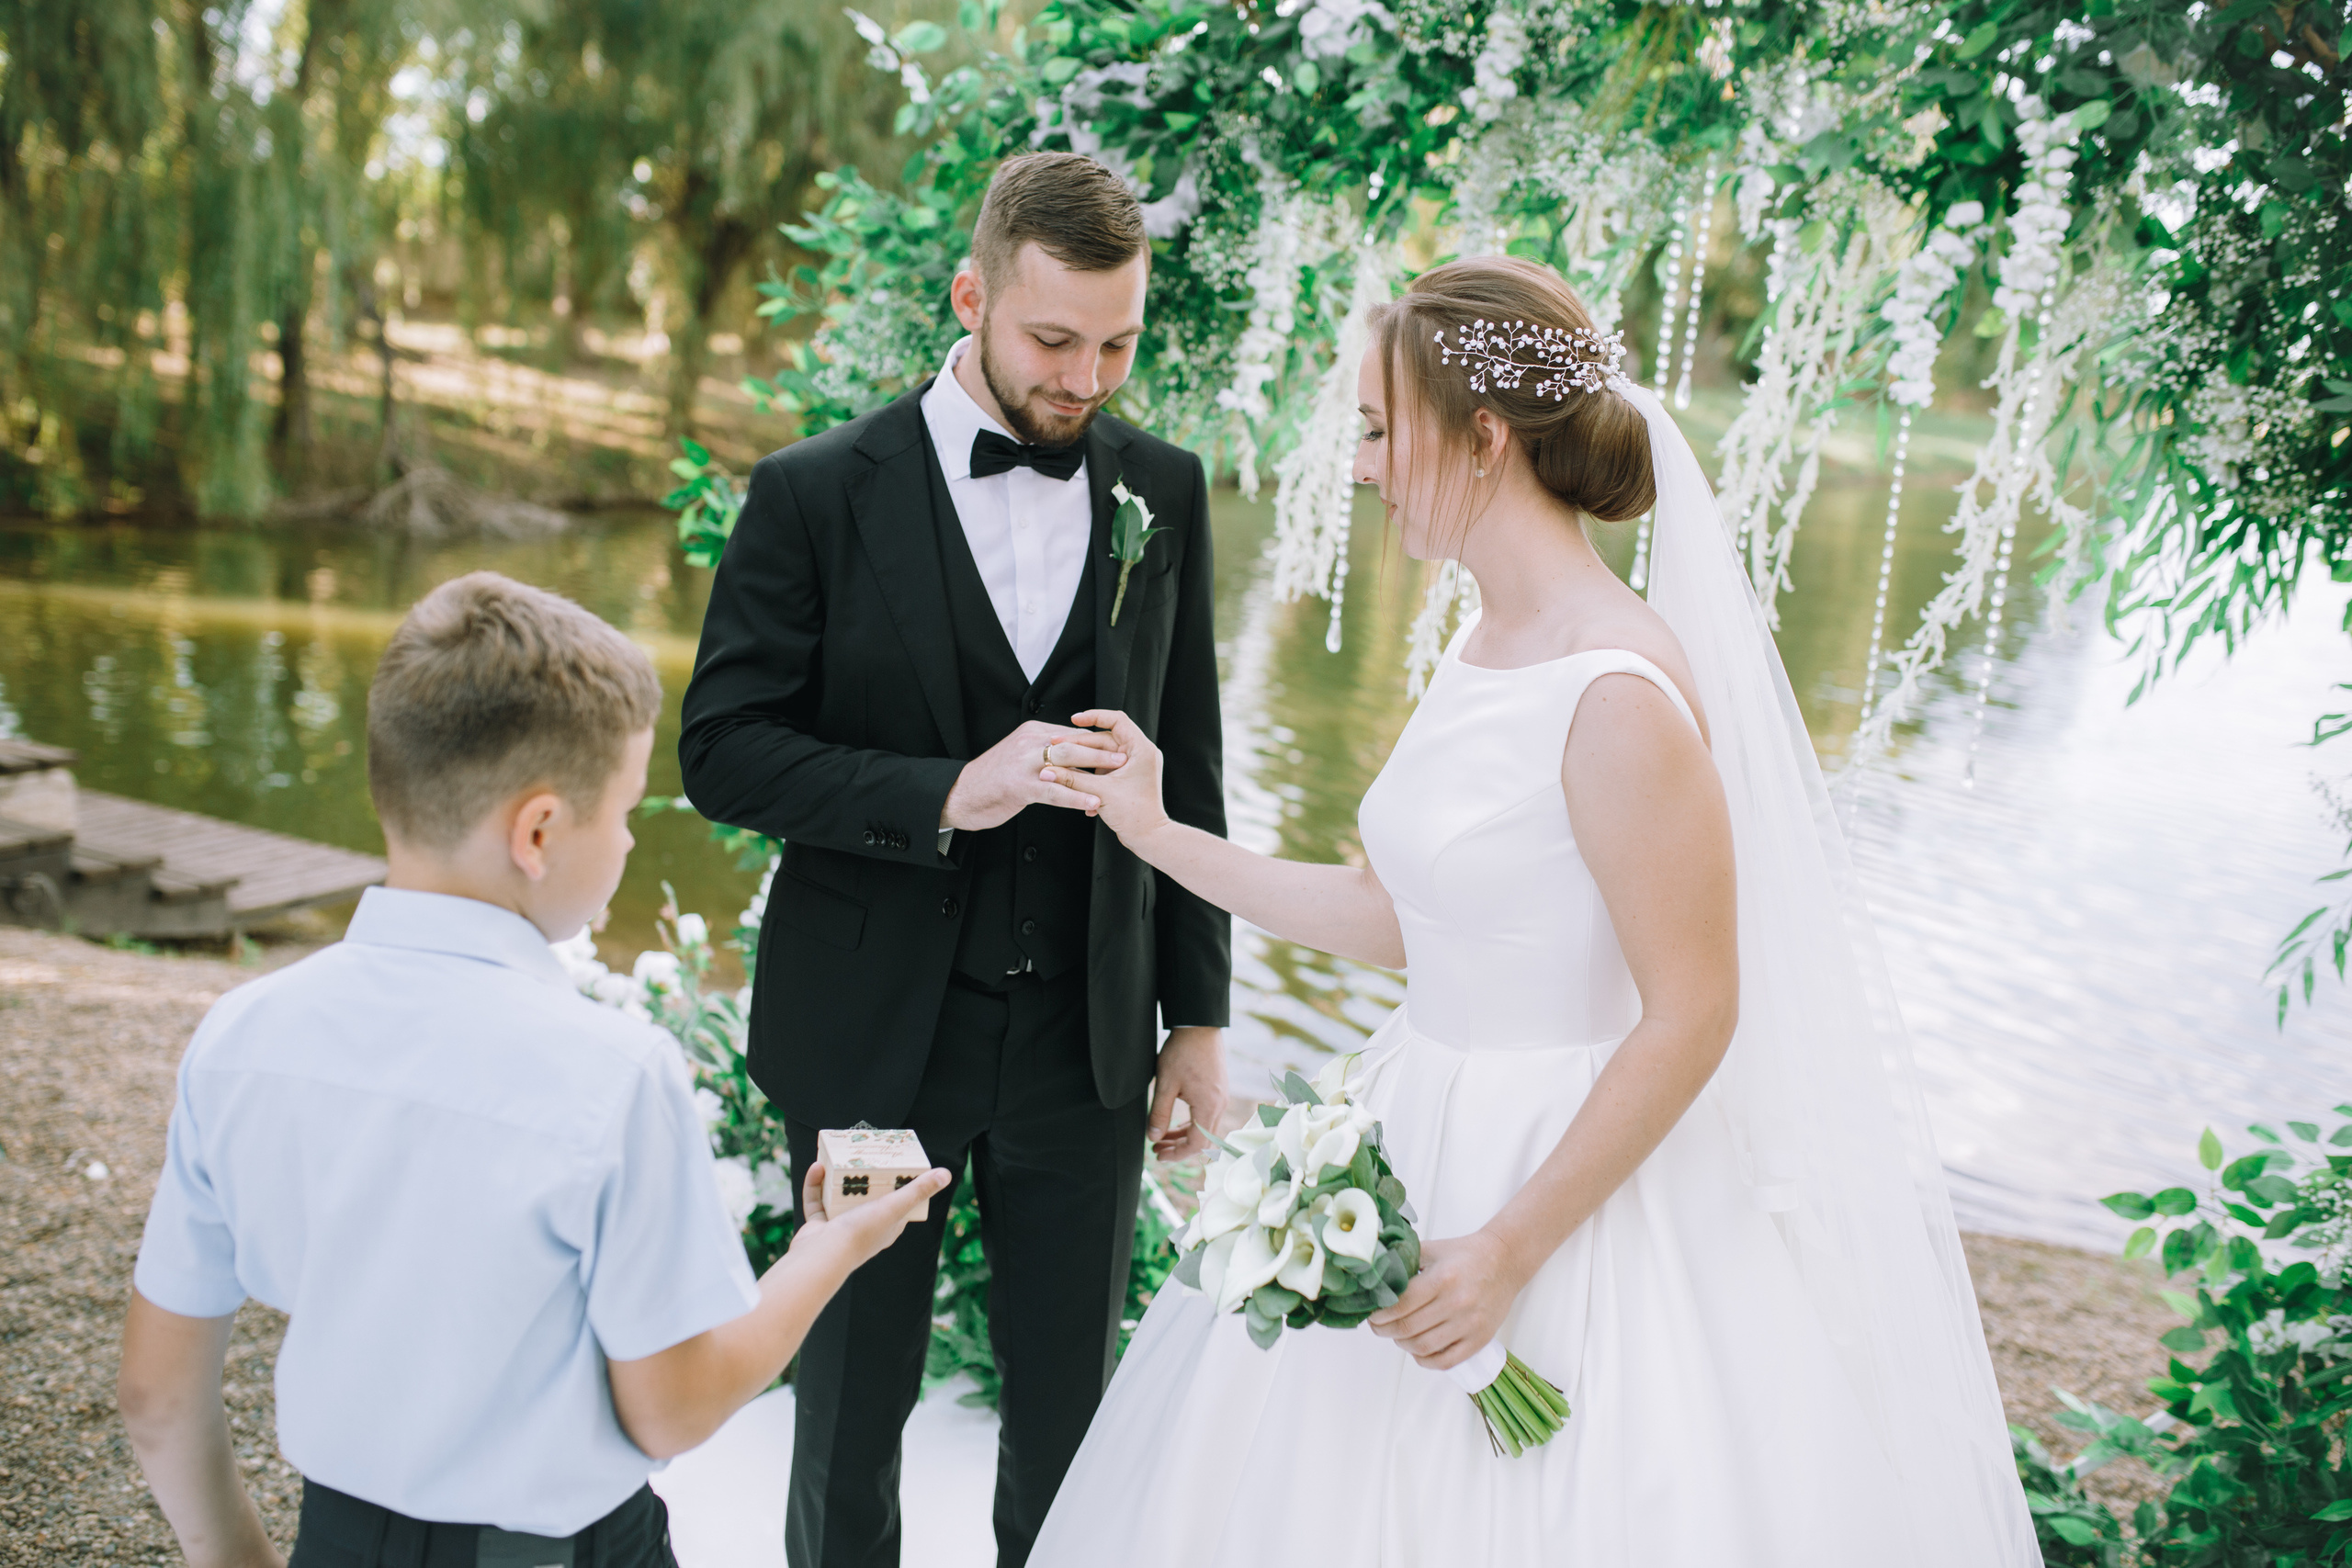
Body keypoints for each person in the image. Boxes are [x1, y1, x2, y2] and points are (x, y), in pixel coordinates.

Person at [1027, 258, 2040, 1564]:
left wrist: (1510, 1246)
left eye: (1385, 430)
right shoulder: (1485, 637)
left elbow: (1694, 1009)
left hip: (1560, 1187)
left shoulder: (1614, 687)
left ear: (1484, 437)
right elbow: (1398, 918)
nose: (1362, 466)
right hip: (1419, 1117)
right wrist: (1160, 833)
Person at [116, 571, 950, 1568]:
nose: (633, 840)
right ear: (540, 832)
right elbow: (671, 1411)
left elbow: (156, 1398)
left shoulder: (240, 1034)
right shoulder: (612, 1075)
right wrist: (827, 1250)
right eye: (628, 812)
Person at [677, 151, 1231, 1568]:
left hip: (1087, 1046)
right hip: (870, 1047)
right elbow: (724, 748)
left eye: (1118, 342)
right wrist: (944, 789)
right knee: (851, 1415)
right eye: (1054, 339)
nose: (1087, 377)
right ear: (973, 294)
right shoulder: (812, 492)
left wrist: (1201, 1020)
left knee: (1068, 1425)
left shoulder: (1159, 491)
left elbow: (1193, 764)